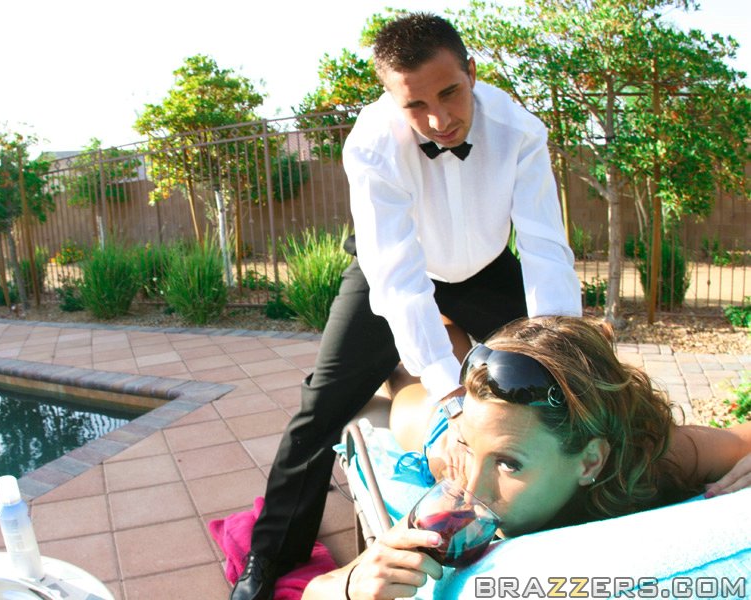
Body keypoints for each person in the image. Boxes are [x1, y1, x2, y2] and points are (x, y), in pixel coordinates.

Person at [230, 13, 582, 600]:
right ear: (392, 99)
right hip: (392, 268)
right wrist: (448, 393)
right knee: (320, 406)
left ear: (472, 73)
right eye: (416, 105)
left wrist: (559, 351)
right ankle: (269, 556)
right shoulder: (371, 143)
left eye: (450, 93)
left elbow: (546, 250)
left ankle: (577, 509)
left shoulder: (519, 130)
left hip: (485, 269)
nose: (439, 119)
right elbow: (398, 279)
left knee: (559, 388)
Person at [301, 316, 751, 599]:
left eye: (508, 464)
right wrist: (351, 584)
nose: (471, 490)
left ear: (590, 461)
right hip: (442, 430)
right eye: (476, 453)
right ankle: (423, 350)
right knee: (404, 392)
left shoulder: (650, 457)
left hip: (477, 425)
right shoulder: (454, 496)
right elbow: (315, 592)